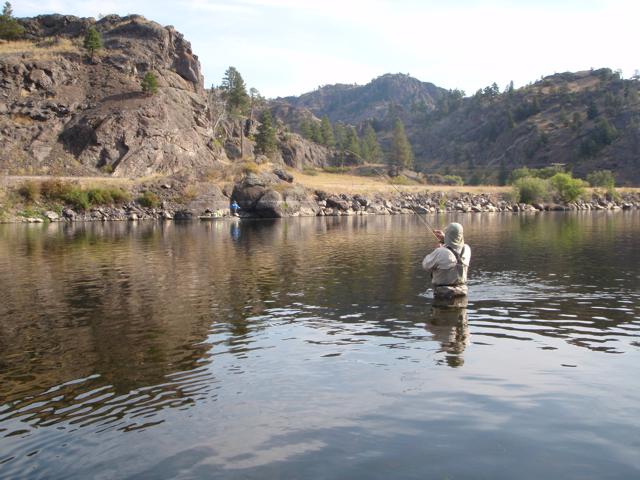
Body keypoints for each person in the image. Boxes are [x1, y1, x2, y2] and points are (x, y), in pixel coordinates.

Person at [422, 222, 471, 299]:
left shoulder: (440, 252)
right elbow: (455, 248)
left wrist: (437, 249)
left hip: (443, 295)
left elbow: (426, 265)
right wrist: (445, 240)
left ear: (448, 235)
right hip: (462, 293)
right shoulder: (467, 249)